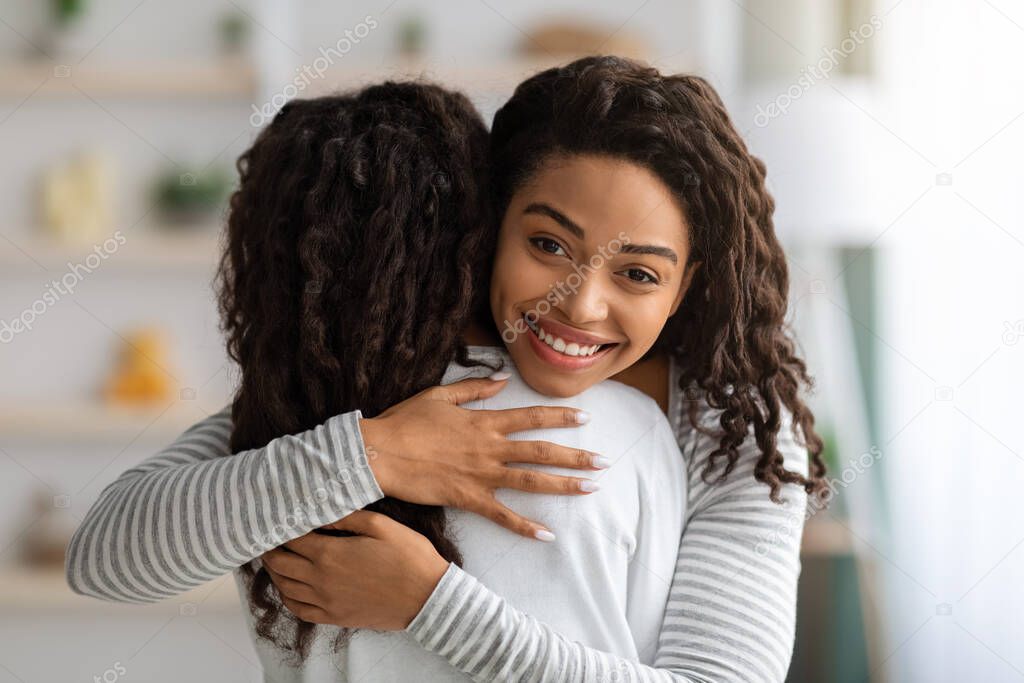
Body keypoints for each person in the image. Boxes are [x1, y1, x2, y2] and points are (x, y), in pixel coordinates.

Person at [67, 56, 826, 682]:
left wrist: (430, 603)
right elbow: (109, 554)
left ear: (686, 285)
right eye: (548, 246)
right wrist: (377, 452)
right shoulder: (378, 387)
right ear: (488, 229)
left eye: (637, 274)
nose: (578, 304)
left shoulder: (737, 431)